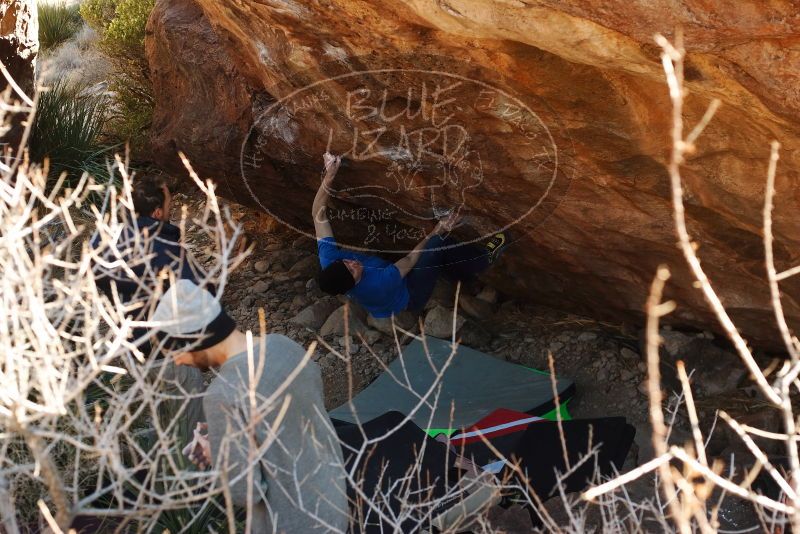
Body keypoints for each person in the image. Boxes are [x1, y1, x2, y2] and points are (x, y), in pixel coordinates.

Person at [155, 280, 349, 533]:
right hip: (333, 500)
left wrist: (218, 454)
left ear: (193, 340)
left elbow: (246, 492)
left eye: (175, 351)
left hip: (292, 521)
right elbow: (295, 414)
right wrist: (231, 437)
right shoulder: (283, 344)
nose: (178, 361)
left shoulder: (222, 394)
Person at [312, 153, 507, 318]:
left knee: (432, 252)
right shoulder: (378, 285)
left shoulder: (329, 259)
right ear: (352, 284)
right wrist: (438, 228)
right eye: (353, 270)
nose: (353, 263)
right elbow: (410, 258)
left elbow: (317, 213)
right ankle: (484, 259)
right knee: (435, 244)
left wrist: (330, 174)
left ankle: (458, 273)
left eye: (346, 262)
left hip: (388, 282)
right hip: (410, 295)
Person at [91, 175, 205, 444]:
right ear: (156, 213)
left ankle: (155, 464)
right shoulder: (166, 249)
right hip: (171, 353)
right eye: (168, 207)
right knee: (191, 432)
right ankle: (196, 480)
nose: (170, 212)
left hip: (133, 351)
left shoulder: (107, 247)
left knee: (164, 415)